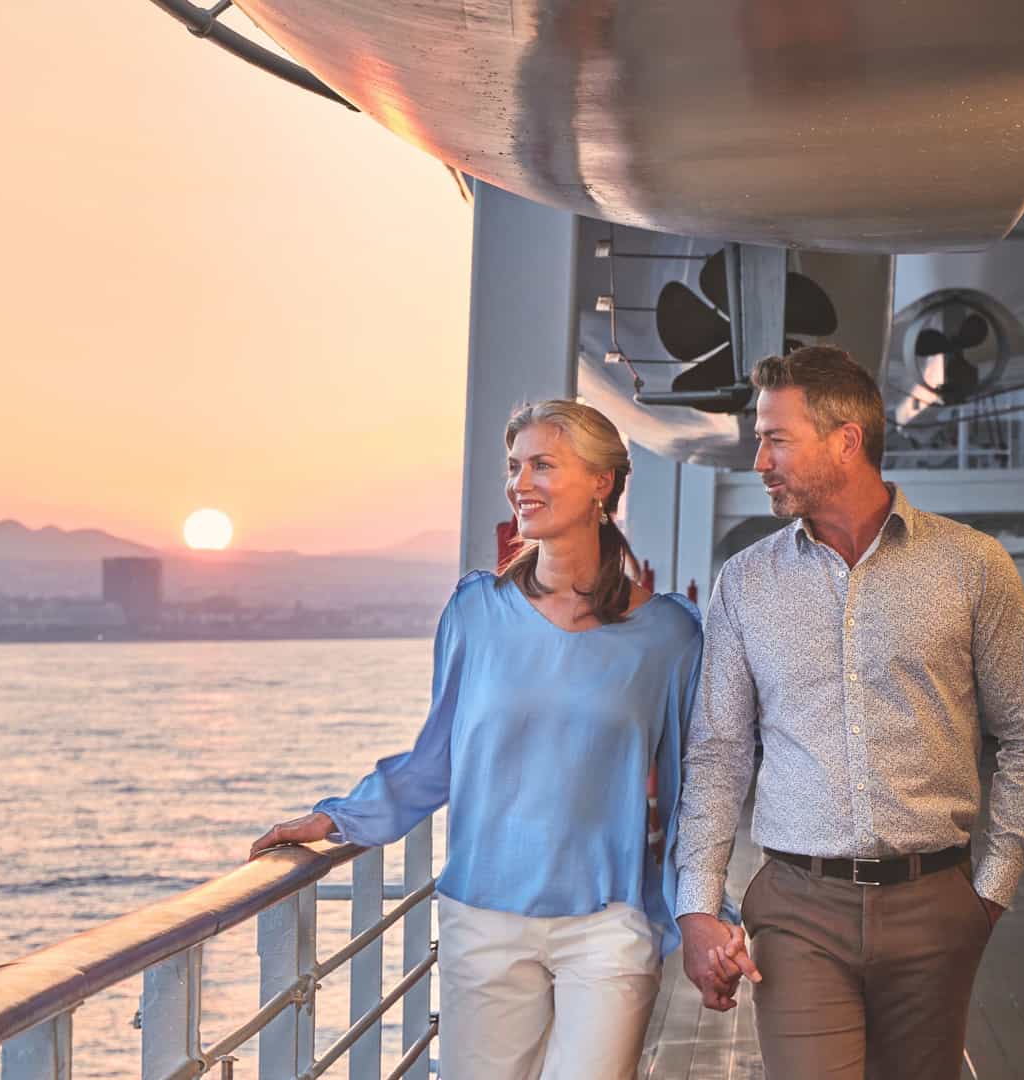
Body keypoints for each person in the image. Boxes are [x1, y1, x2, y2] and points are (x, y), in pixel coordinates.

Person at [252, 400, 710, 1080]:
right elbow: (437, 758)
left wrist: (707, 912)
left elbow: (690, 794)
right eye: (514, 466)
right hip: (485, 920)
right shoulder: (475, 610)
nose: (521, 483)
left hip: (608, 923)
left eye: (543, 465)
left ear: (602, 484)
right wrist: (337, 818)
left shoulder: (670, 634)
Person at [675, 346, 1024, 1079]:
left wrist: (990, 891)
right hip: (795, 909)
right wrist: (698, 905)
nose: (759, 460)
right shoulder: (746, 583)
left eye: (776, 438)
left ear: (846, 440)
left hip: (936, 908)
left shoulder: (972, 566)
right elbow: (719, 753)